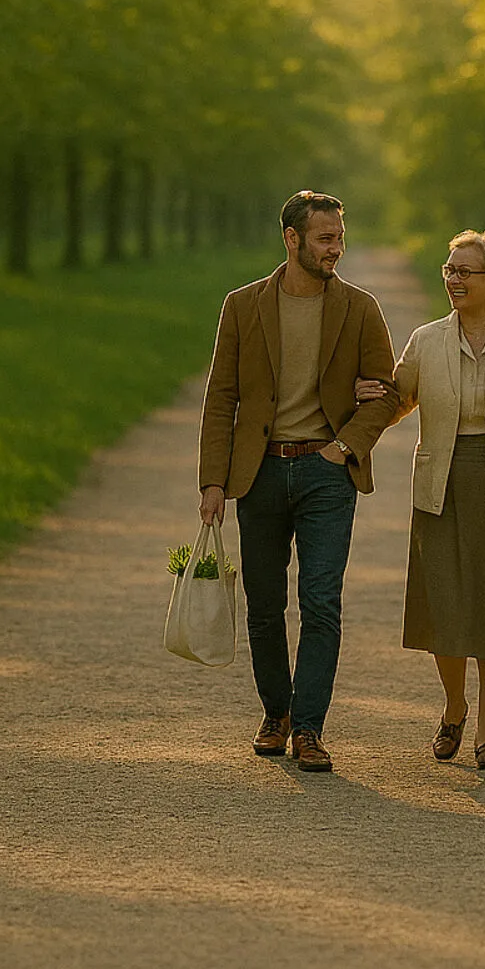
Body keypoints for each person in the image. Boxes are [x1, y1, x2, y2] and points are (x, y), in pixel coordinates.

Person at [197, 190, 398, 772]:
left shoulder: (360, 309)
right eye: (324, 238)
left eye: (339, 237)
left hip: (325, 474)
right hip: (256, 473)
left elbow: (384, 394)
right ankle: (275, 714)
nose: (336, 248)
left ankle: (309, 728)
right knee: (264, 606)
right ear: (292, 239)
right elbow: (222, 399)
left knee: (321, 603)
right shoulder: (242, 306)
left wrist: (345, 448)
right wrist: (213, 480)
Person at [360, 230, 485, 770]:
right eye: (449, 270)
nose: (453, 279)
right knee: (444, 609)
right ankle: (455, 707)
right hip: (442, 489)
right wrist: (371, 397)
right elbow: (399, 398)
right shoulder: (426, 341)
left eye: (465, 271)